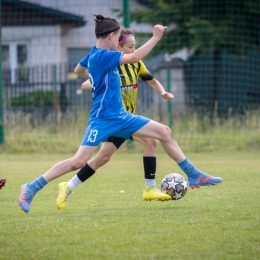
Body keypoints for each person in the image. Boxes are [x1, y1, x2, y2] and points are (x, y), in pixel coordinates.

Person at [19, 14, 222, 213]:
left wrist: (96, 78)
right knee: (78, 162)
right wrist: (156, 37)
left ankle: (194, 175)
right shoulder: (102, 56)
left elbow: (81, 69)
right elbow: (134, 57)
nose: (118, 41)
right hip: (102, 120)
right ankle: (31, 187)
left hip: (122, 117)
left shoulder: (94, 55)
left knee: (164, 133)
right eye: (117, 37)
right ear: (111, 36)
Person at [56, 27, 175, 208]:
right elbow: (87, 82)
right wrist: (93, 83)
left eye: (135, 47)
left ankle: (69, 186)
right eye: (130, 47)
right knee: (151, 141)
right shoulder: (111, 65)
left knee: (102, 159)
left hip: (126, 120)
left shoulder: (136, 64)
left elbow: (151, 80)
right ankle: (149, 188)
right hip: (115, 119)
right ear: (118, 47)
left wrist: (163, 91)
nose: (134, 51)